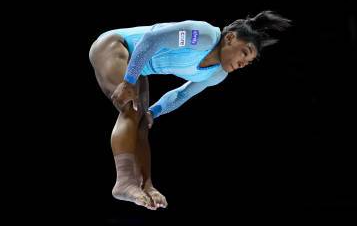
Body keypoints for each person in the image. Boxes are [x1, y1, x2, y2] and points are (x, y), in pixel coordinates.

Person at [89, 11, 291, 209]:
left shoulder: (217, 74)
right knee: (130, 109)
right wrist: (129, 80)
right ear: (230, 38)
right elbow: (152, 38)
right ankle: (124, 182)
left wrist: (154, 111)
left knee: (142, 123)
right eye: (244, 52)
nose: (243, 63)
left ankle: (146, 186)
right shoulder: (202, 36)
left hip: (138, 66)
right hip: (115, 45)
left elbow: (182, 94)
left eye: (247, 62)